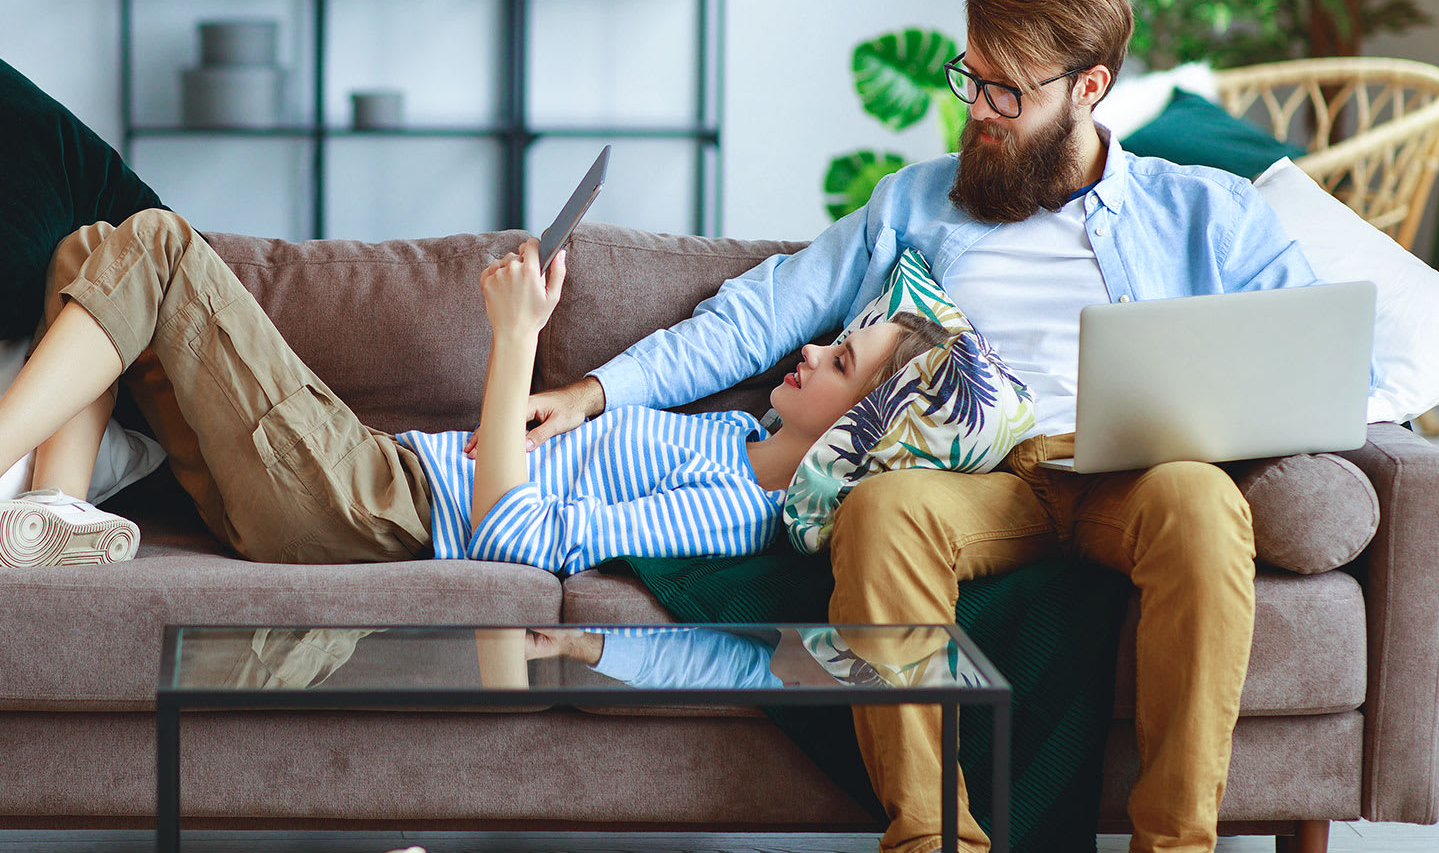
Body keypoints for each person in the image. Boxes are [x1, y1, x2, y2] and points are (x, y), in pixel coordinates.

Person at [514, 0, 1340, 853]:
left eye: (1007, 93)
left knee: (1205, 504)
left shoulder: (1207, 215)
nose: (977, 112)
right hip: (981, 482)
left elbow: (1326, 354)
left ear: (1089, 87)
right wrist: (599, 389)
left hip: (1133, 474)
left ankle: (1176, 846)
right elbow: (762, 310)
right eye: (970, 78)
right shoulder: (918, 203)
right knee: (883, 510)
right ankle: (933, 839)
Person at [0, 210, 950, 572]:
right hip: (369, 464)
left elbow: (513, 540)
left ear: (865, 427)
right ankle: (56, 511)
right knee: (92, 246)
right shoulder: (720, 440)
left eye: (845, 362)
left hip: (376, 507)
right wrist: (568, 397)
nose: (818, 348)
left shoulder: (736, 513)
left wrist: (514, 345)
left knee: (159, 244)